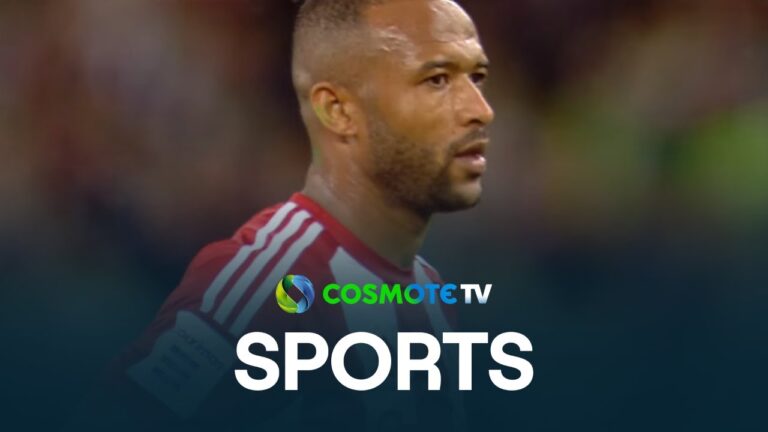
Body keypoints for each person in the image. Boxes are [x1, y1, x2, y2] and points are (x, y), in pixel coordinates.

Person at [69, 0, 494, 430]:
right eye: (436, 80)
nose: (480, 109)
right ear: (340, 111)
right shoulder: (275, 282)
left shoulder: (429, 294)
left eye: (476, 77)